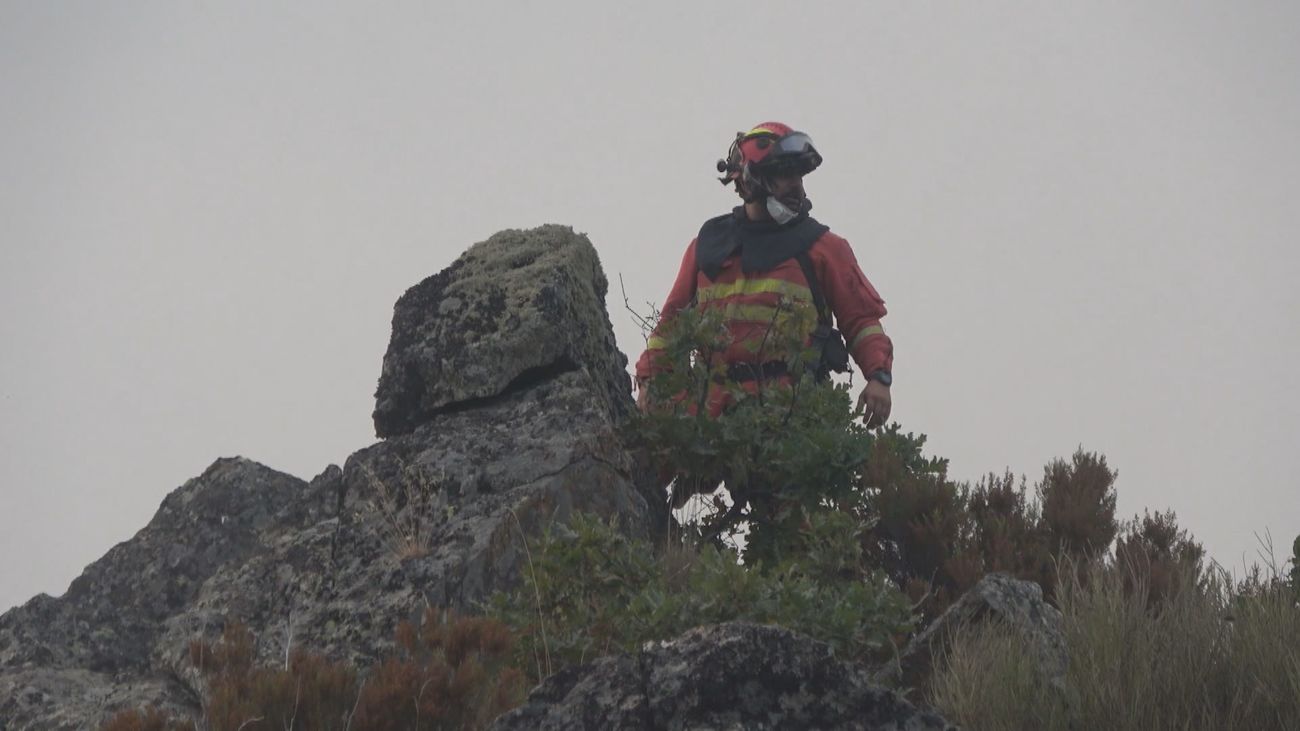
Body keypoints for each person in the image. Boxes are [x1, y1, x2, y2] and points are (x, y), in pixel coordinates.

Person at [635, 121, 893, 426]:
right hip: (708, 422)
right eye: (786, 175)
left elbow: (861, 321)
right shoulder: (707, 246)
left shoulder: (824, 248)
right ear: (751, 181)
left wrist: (879, 377)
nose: (798, 185)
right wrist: (650, 380)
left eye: (799, 174)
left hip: (789, 422)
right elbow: (671, 325)